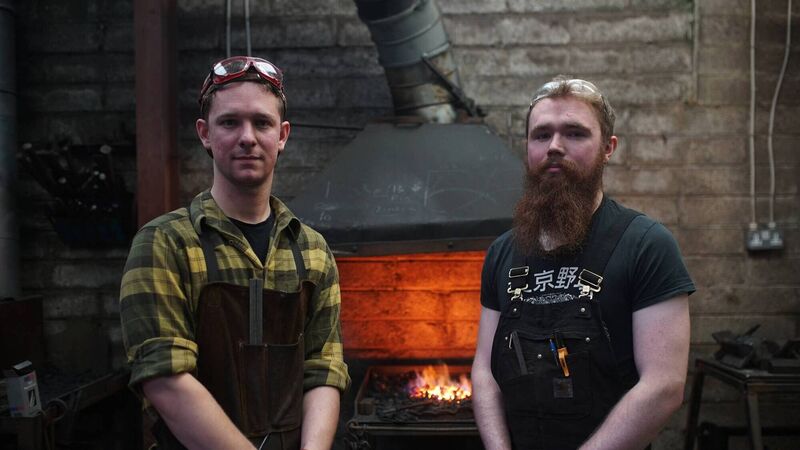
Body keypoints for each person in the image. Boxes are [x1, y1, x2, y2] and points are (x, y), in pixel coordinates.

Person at [120, 56, 349, 450]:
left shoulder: (311, 250)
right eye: (230, 122)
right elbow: (164, 378)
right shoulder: (164, 243)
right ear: (205, 134)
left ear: (282, 135)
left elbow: (323, 369)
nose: (247, 137)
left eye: (262, 122)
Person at [471, 76, 694, 450]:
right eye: (541, 135)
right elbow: (484, 372)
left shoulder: (646, 245)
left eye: (574, 133)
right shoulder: (502, 253)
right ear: (528, 148)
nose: (555, 146)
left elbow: (664, 386)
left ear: (609, 147)